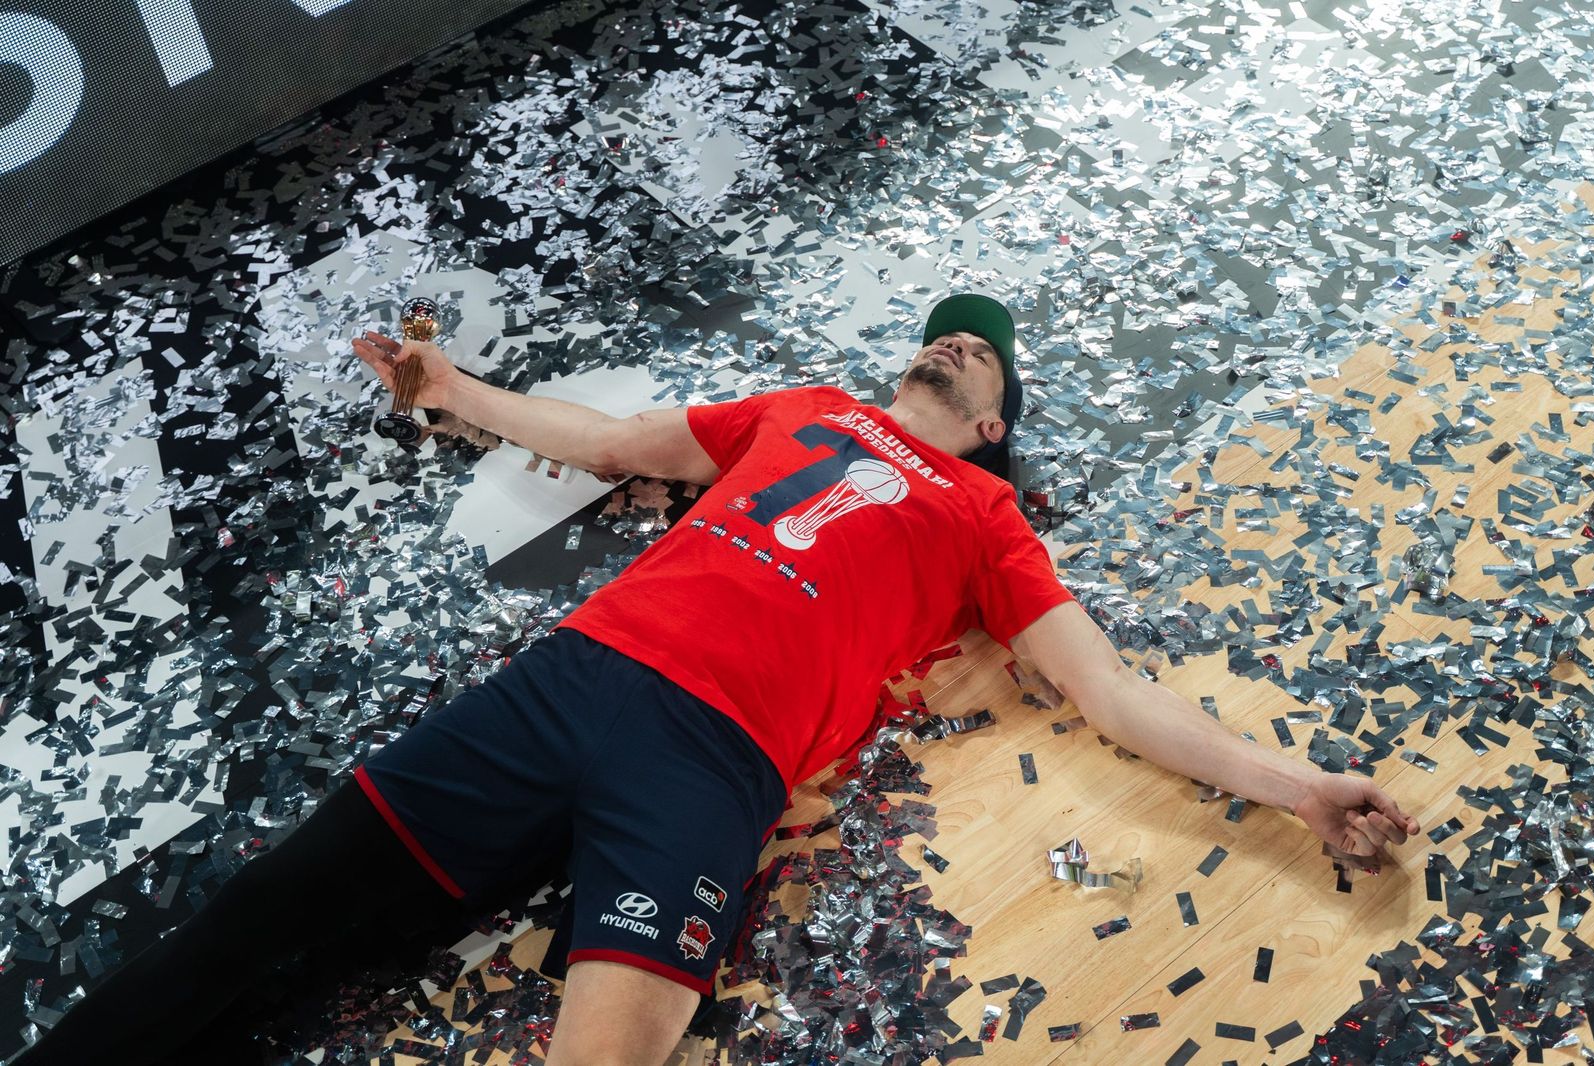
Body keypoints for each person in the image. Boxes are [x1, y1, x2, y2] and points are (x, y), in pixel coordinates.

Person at [17, 294, 1420, 1066]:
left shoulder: (990, 520)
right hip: (567, 683)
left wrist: (1301, 788)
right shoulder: (804, 408)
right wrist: (454, 392)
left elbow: (1112, 694)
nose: (951, 339)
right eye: (945, 327)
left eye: (978, 349)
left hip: (712, 768)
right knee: (258, 917)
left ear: (991, 425)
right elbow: (621, 442)